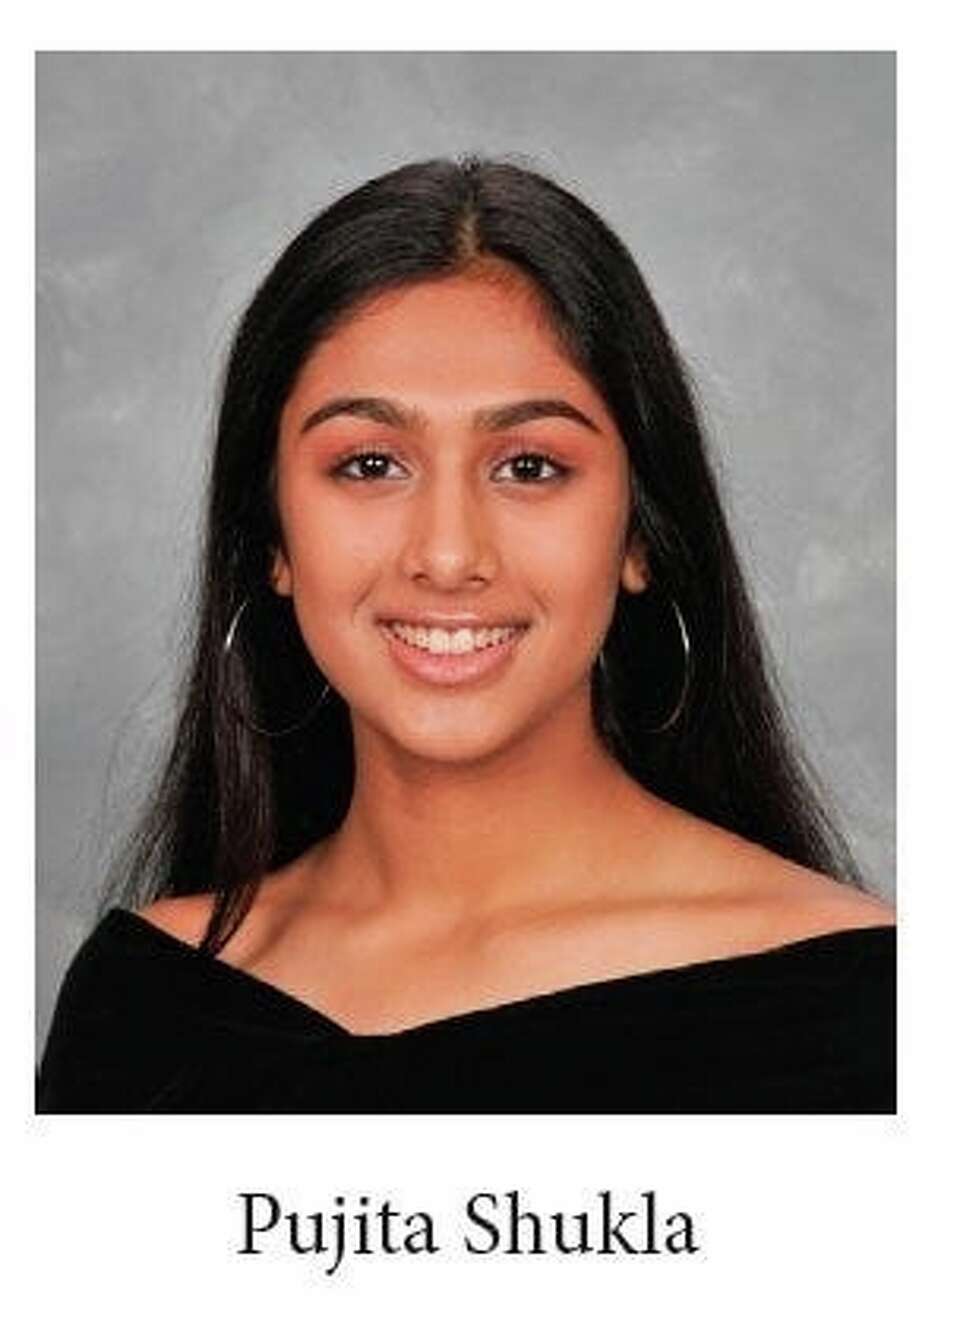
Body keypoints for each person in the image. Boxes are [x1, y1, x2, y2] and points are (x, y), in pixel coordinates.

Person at [37, 154, 894, 1113]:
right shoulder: (140, 1005)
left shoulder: (866, 1012)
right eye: (370, 464)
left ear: (640, 534)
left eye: (528, 467)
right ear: (271, 536)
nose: (447, 556)